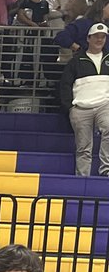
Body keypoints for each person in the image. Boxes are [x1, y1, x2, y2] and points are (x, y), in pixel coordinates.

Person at [59, 21, 109, 177]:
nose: (99, 40)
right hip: (80, 108)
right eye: (96, 37)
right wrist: (70, 108)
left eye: (103, 37)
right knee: (83, 147)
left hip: (104, 105)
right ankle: (82, 178)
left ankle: (106, 169)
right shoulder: (76, 61)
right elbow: (65, 85)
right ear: (88, 39)